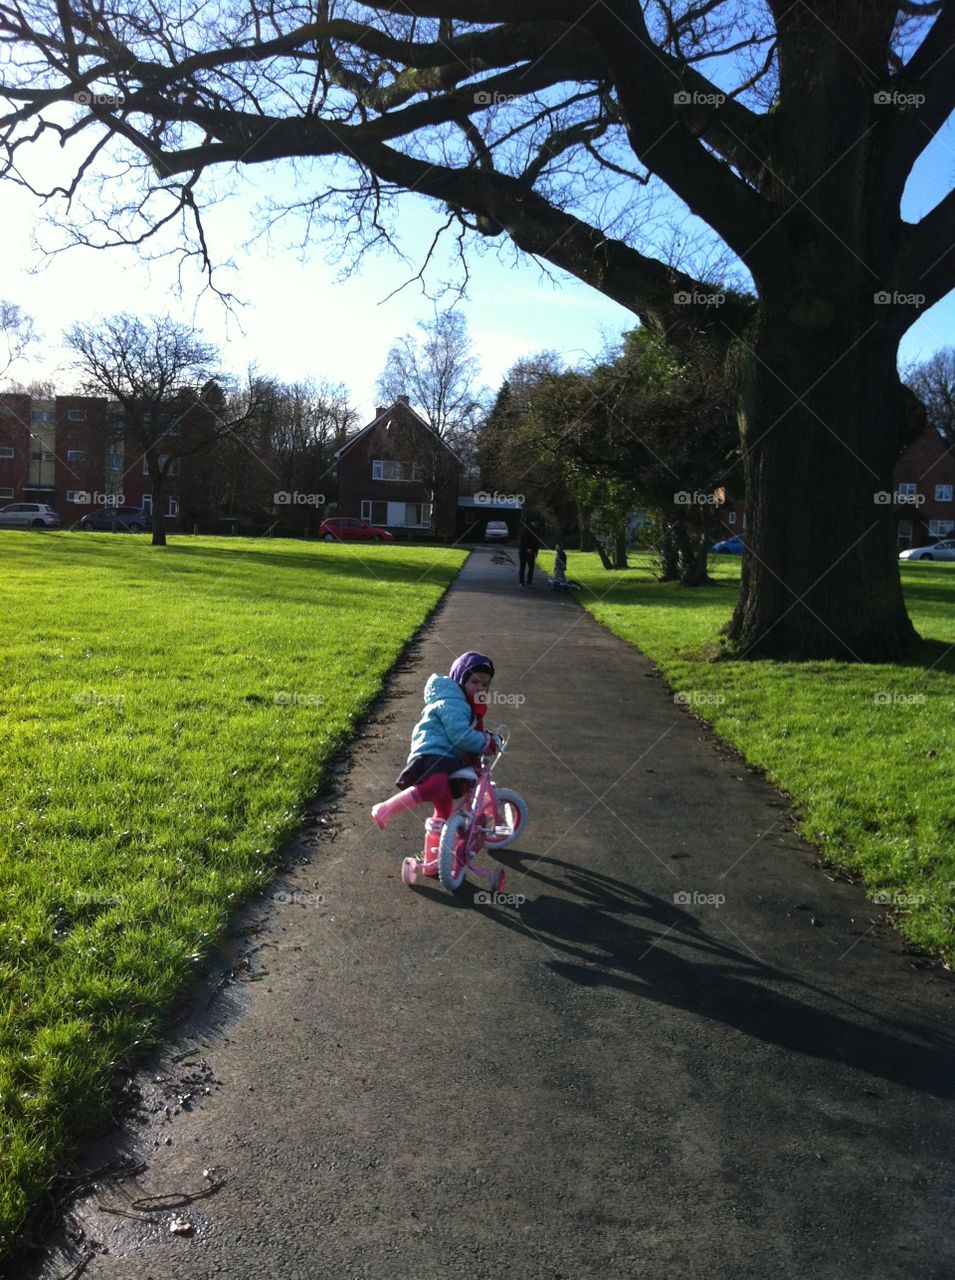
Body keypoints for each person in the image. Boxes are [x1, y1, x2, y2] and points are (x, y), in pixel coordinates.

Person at [371, 651, 498, 876]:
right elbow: (460, 734)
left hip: (445, 756)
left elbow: (466, 731)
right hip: (433, 753)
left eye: (485, 685)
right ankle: (386, 808)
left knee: (444, 809)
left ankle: (432, 862)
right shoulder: (453, 702)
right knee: (436, 787)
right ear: (460, 680)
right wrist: (484, 742)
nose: (480, 688)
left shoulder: (462, 703)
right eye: (474, 681)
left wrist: (482, 736)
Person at [518, 520, 542, 586]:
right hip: (523, 552)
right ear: (532, 522)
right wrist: (527, 548)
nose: (537, 524)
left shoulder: (537, 530)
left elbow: (537, 542)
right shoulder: (526, 529)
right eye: (536, 522)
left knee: (531, 568)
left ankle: (529, 582)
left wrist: (536, 552)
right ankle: (521, 582)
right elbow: (522, 540)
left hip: (532, 552)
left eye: (538, 523)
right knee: (522, 567)